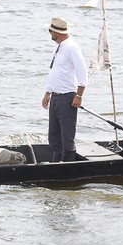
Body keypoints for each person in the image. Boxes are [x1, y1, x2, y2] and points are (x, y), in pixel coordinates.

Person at [41, 17, 88, 162]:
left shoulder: (72, 47)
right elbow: (54, 71)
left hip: (67, 98)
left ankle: (68, 167)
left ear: (57, 32)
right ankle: (56, 164)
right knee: (54, 138)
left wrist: (79, 95)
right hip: (55, 97)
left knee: (67, 139)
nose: (49, 33)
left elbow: (82, 72)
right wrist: (47, 93)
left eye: (50, 31)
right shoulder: (59, 46)